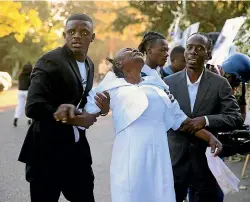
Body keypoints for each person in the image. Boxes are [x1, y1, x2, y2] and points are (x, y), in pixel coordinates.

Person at [53, 48, 222, 202]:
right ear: (119, 63)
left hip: (159, 159)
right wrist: (70, 115)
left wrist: (209, 137)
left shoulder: (157, 85)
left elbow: (181, 121)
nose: (134, 49)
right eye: (127, 50)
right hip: (130, 158)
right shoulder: (110, 87)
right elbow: (87, 117)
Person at [18, 14, 110, 202]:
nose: (77, 36)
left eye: (84, 32)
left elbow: (83, 102)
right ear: (64, 34)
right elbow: (33, 106)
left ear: (92, 37)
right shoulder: (50, 61)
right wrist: (64, 114)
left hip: (76, 152)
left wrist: (101, 109)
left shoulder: (89, 64)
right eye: (71, 32)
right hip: (46, 152)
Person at [164, 32, 244, 202]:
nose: (193, 51)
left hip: (206, 162)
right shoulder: (169, 82)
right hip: (175, 161)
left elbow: (235, 117)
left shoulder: (219, 83)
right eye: (189, 47)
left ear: (208, 55)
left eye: (199, 48)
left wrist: (206, 120)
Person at [13, 62, 33, 127]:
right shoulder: (31, 75)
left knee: (20, 105)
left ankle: (16, 118)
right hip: (27, 92)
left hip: (20, 91)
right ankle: (29, 120)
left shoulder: (20, 75)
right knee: (29, 105)